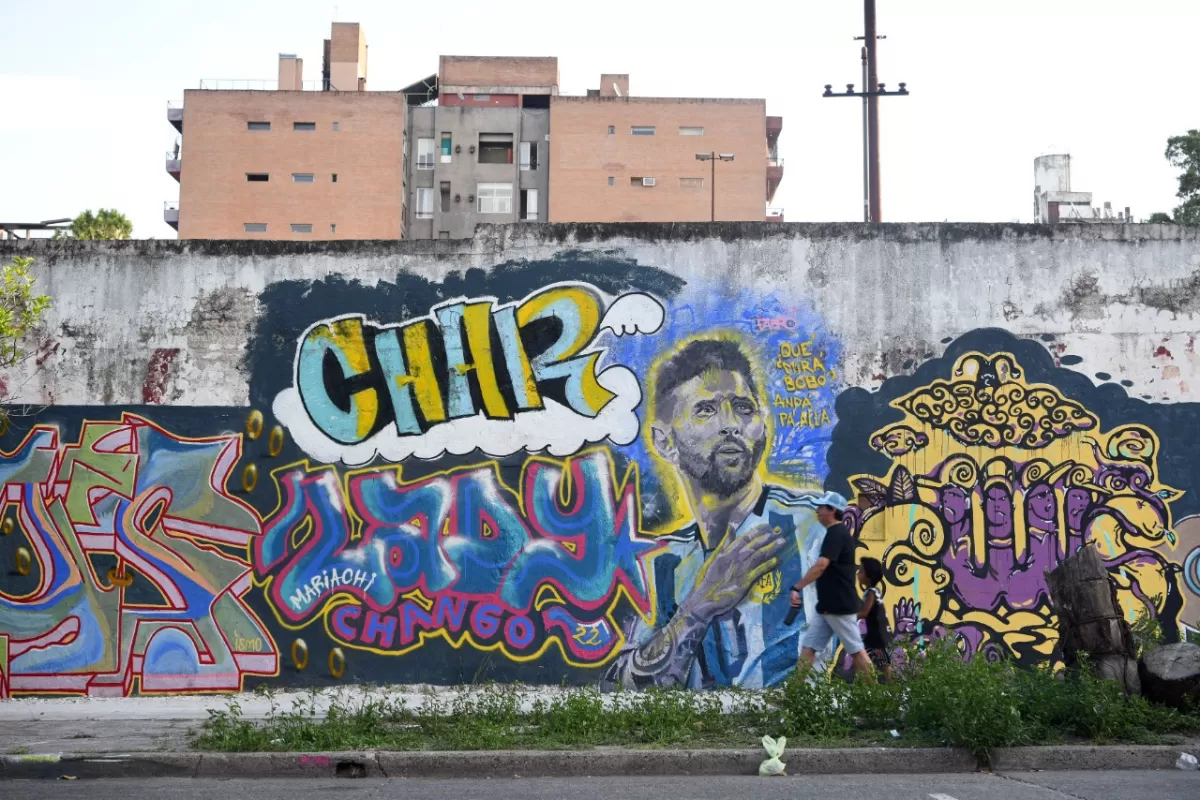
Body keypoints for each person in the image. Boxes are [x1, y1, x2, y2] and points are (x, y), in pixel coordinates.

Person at [601, 337, 847, 690]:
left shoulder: (810, 527)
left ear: (761, 426)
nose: (731, 424)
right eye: (706, 409)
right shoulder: (663, 561)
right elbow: (618, 689)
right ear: (664, 442)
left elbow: (809, 673)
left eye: (743, 408)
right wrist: (700, 604)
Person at [789, 499, 874, 678]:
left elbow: (821, 566)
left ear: (832, 509)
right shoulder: (834, 533)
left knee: (856, 650)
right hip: (828, 606)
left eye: (820, 507)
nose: (817, 511)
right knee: (809, 647)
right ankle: (793, 694)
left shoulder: (837, 533)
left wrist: (797, 587)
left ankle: (877, 697)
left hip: (839, 606)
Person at [857, 556, 892, 682]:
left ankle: (895, 690)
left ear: (869, 576)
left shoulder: (871, 592)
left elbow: (864, 612)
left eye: (861, 571)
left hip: (878, 636)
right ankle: (869, 684)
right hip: (874, 634)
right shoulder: (873, 590)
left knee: (884, 664)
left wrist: (849, 616)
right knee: (863, 658)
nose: (858, 574)